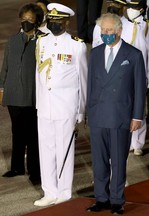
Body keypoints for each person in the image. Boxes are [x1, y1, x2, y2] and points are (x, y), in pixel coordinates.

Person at [86, 13, 146, 214]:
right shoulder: (95, 54)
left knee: (119, 161)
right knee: (99, 160)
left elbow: (139, 87)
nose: (106, 34)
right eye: (103, 30)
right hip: (98, 116)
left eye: (109, 30)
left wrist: (137, 116)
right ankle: (101, 198)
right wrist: (89, 112)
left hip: (120, 116)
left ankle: (117, 200)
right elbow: (91, 85)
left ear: (119, 31)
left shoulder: (133, 55)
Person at [34, 3, 87, 207]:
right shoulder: (41, 43)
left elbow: (83, 79)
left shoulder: (76, 45)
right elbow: (39, 76)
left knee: (64, 148)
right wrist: (39, 104)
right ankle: (49, 191)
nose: (54, 25)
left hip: (66, 106)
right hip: (45, 105)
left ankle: (64, 191)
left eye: (58, 21)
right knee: (46, 149)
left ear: (66, 22)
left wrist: (80, 111)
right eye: (52, 21)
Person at [0, 3, 43, 185]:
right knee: (17, 132)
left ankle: (35, 171)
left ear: (38, 21)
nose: (26, 22)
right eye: (24, 19)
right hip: (13, 94)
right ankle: (17, 167)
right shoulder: (13, 40)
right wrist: (2, 89)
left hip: (32, 96)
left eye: (30, 20)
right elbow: (5, 67)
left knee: (33, 135)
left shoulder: (43, 41)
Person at [123, 0, 149, 155]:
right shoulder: (121, 24)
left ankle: (138, 143)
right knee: (124, 106)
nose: (131, 10)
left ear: (142, 9)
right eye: (129, 7)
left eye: (134, 7)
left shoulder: (148, 27)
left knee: (139, 107)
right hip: (123, 72)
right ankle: (126, 139)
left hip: (140, 71)